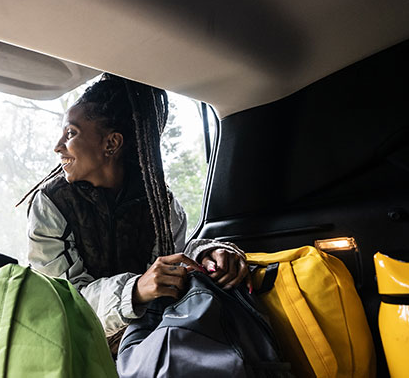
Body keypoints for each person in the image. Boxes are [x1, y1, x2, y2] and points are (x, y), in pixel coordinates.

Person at [25, 74, 249, 352]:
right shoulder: (50, 202)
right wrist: (135, 290)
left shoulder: (160, 201)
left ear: (111, 144)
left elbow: (173, 259)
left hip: (150, 343)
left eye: (71, 133)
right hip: (76, 351)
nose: (58, 146)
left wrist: (209, 255)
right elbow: (61, 302)